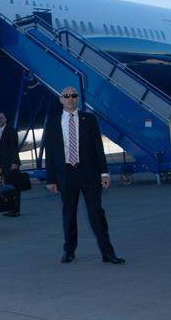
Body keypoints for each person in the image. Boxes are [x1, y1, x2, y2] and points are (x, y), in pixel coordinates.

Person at [44, 86, 125, 265]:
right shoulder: (52, 121)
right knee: (69, 214)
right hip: (66, 173)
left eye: (73, 95)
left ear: (77, 98)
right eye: (66, 96)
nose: (70, 98)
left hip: (89, 173)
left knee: (96, 213)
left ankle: (108, 253)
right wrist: (50, 179)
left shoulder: (89, 119)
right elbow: (50, 152)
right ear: (61, 100)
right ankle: (69, 251)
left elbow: (98, 147)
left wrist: (104, 172)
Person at [0, 112, 21, 217]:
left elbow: (14, 148)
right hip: (2, 165)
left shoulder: (11, 131)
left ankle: (16, 210)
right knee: (7, 187)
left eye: (1, 118)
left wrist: (15, 162)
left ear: (5, 119)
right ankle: (10, 208)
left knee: (14, 187)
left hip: (11, 164)